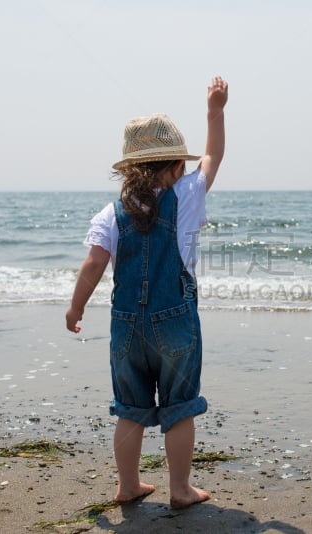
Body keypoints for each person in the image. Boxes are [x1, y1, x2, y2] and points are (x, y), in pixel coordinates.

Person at [65, 76, 228, 508]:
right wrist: (215, 112)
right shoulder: (187, 193)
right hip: (175, 321)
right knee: (180, 406)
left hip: (125, 328)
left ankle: (128, 485)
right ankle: (179, 489)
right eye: (183, 167)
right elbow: (212, 157)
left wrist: (75, 307)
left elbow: (94, 264)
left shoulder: (111, 213)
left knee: (131, 408)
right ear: (177, 167)